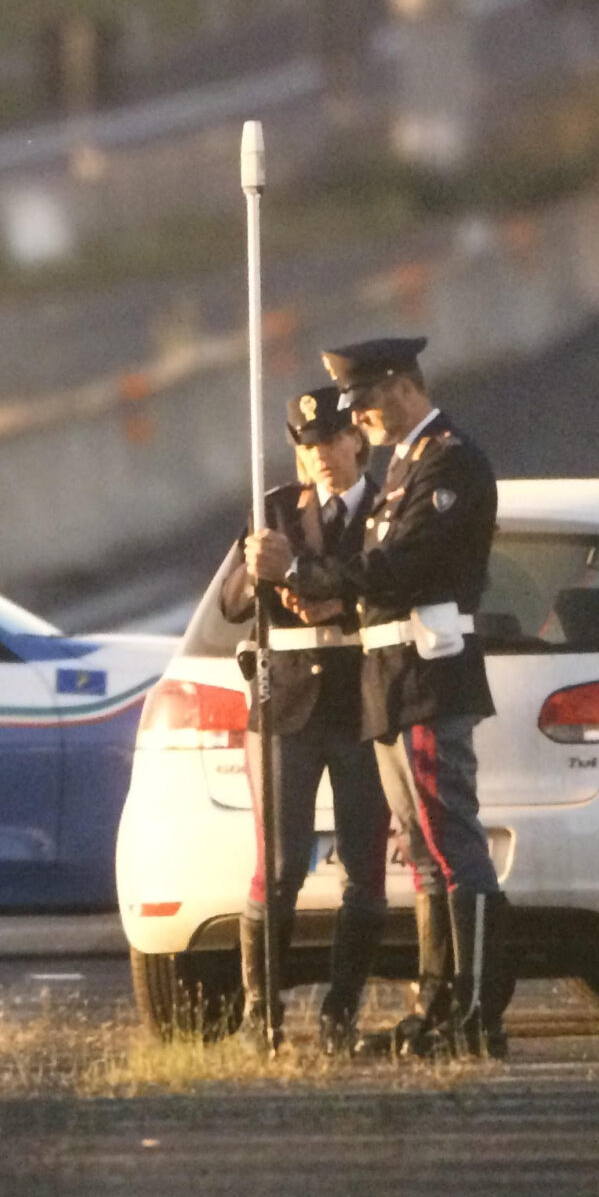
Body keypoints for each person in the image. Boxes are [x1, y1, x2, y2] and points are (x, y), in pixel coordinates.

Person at [247, 336, 510, 1057]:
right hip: (392, 678)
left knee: (453, 848)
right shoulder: (407, 465)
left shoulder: (449, 459)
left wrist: (306, 571)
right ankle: (436, 1006)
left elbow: (401, 564)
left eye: (361, 409)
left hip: (427, 674)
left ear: (399, 388)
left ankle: (477, 1014)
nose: (358, 425)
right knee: (425, 854)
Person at [218, 386, 389, 1053]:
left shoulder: (384, 510)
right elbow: (232, 604)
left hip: (361, 706)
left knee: (366, 871)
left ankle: (339, 1012)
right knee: (281, 866)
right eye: (308, 446)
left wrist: (324, 588)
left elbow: (389, 581)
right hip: (285, 708)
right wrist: (258, 570)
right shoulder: (276, 511)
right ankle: (261, 1014)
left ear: (357, 440)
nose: (320, 456)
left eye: (332, 441)